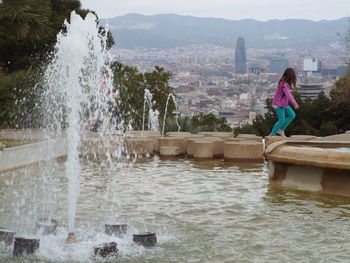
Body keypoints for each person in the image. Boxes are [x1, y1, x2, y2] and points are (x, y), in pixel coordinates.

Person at [269, 68, 299, 137]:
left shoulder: (285, 83)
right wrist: (295, 104)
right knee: (281, 120)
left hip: (283, 104)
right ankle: (272, 135)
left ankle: (281, 130)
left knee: (292, 115)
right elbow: (288, 94)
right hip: (278, 104)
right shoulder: (284, 84)